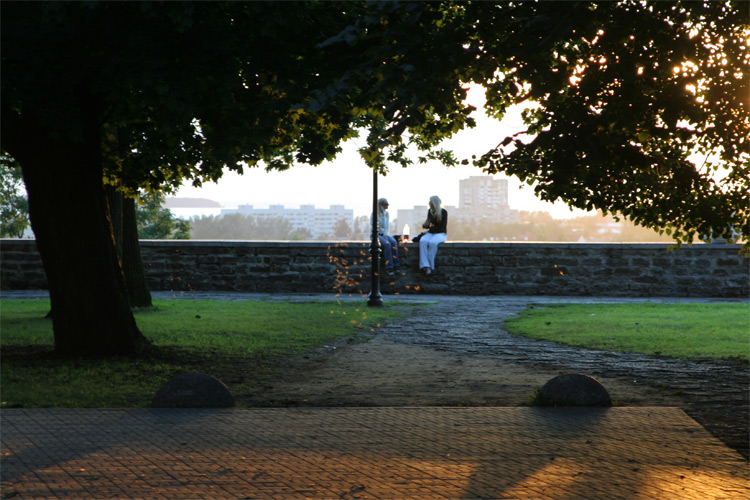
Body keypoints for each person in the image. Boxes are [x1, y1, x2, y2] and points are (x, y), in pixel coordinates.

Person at [370, 197, 401, 276]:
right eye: (386, 204)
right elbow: (377, 225)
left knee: (393, 242)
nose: (387, 206)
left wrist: (385, 234)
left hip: (384, 234)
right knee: (387, 244)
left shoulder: (386, 214)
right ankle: (389, 267)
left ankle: (396, 265)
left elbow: (386, 226)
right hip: (376, 234)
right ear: (381, 205)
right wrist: (381, 214)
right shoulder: (375, 214)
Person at [419, 195, 447, 275]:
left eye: (430, 202)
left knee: (432, 243)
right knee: (423, 241)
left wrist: (430, 229)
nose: (429, 204)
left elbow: (441, 227)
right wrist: (426, 224)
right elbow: (428, 225)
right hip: (431, 233)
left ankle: (431, 266)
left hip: (440, 234)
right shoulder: (430, 212)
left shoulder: (443, 212)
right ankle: (425, 265)